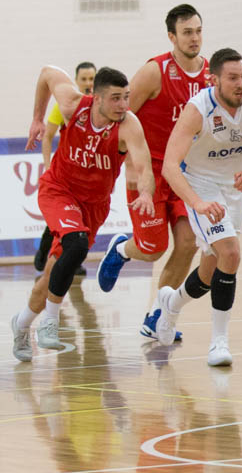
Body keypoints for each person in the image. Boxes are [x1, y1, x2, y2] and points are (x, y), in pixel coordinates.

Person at [155, 48, 242, 366]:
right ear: (213, 79)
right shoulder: (198, 109)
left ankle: (172, 304)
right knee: (231, 253)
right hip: (203, 187)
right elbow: (170, 167)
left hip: (235, 188)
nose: (240, 84)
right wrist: (198, 204)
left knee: (211, 268)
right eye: (232, 78)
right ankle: (219, 343)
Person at [11, 66, 155, 362]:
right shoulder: (73, 105)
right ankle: (51, 322)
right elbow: (47, 73)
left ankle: (22, 323)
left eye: (126, 97)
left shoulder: (129, 124)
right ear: (97, 98)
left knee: (53, 272)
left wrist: (145, 193)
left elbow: (144, 167)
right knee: (76, 244)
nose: (123, 106)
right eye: (115, 99)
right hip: (59, 190)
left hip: (93, 206)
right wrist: (38, 118)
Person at [96, 4, 212, 342]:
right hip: (149, 172)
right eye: (187, 32)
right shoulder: (154, 71)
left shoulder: (209, 76)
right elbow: (120, 115)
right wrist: (125, 161)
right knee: (153, 249)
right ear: (171, 36)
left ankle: (157, 315)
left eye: (198, 30)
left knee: (190, 242)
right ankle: (121, 249)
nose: (194, 37)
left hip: (186, 175)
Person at [34, 61, 97, 274]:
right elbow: (48, 136)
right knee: (64, 218)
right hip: (66, 172)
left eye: (91, 79)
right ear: (76, 81)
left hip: (89, 174)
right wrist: (47, 165)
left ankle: (73, 261)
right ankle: (44, 254)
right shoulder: (67, 104)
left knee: (81, 220)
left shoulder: (102, 107)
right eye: (84, 79)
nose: (88, 83)